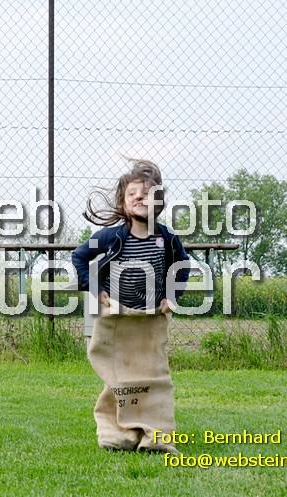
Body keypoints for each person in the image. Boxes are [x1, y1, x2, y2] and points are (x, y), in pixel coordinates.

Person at [72, 159, 190, 453]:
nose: (139, 198)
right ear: (123, 204)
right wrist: (95, 289)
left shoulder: (167, 239)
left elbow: (182, 266)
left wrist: (172, 296)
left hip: (150, 319)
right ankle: (117, 433)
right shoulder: (109, 237)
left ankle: (156, 435)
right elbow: (80, 257)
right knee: (119, 376)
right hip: (118, 318)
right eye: (132, 194)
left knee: (154, 375)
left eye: (147, 194)